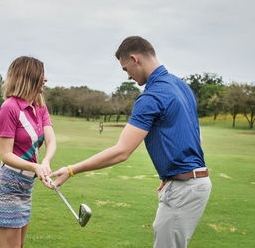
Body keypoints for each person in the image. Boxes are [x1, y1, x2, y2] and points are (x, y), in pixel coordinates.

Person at [51, 36, 211, 248]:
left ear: (135, 59)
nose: (128, 75)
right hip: (196, 182)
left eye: (126, 69)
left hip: (184, 188)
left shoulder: (151, 97)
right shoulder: (181, 87)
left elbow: (122, 151)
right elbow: (195, 137)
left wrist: (71, 170)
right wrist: (170, 173)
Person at [0, 56, 56, 248]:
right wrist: (35, 166)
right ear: (29, 77)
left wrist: (46, 163)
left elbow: (51, 140)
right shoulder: (9, 108)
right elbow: (6, 155)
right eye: (42, 75)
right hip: (8, 186)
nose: (46, 79)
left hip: (26, 187)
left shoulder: (39, 106)